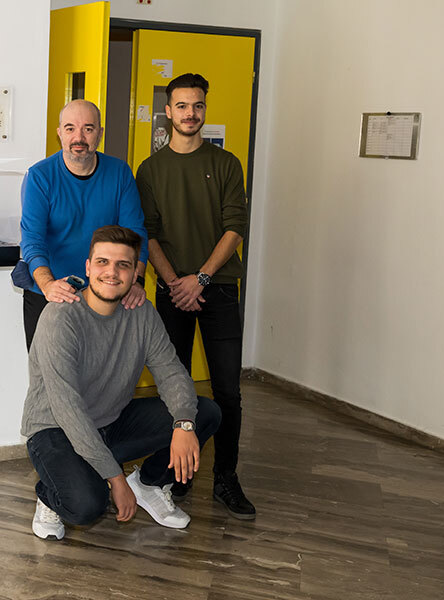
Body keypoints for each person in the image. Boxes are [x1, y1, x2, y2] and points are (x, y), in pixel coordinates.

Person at [21, 225, 221, 539]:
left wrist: (183, 424)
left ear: (135, 273)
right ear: (88, 267)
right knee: (88, 504)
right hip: (55, 430)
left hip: (110, 423)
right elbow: (68, 410)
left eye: (123, 265)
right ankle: (50, 495)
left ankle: (149, 483)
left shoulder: (141, 313)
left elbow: (171, 373)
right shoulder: (60, 317)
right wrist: (115, 479)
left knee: (204, 413)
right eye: (103, 262)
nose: (112, 273)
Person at [134, 73, 255, 520]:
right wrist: (174, 283)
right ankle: (177, 472)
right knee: (176, 387)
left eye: (198, 105)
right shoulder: (150, 170)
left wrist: (200, 279)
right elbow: (149, 234)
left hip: (217, 289)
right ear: (168, 111)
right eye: (182, 106)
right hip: (172, 292)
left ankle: (226, 477)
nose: (190, 113)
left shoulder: (226, 163)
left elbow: (235, 227)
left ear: (205, 109)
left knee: (227, 391)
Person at [19, 99, 149, 350]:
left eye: (88, 129)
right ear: (59, 133)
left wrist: (136, 280)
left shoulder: (120, 173)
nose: (78, 137)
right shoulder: (39, 176)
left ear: (100, 133)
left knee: (105, 369)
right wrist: (48, 285)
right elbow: (33, 240)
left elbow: (135, 234)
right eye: (70, 128)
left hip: (104, 293)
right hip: (50, 293)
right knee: (49, 370)